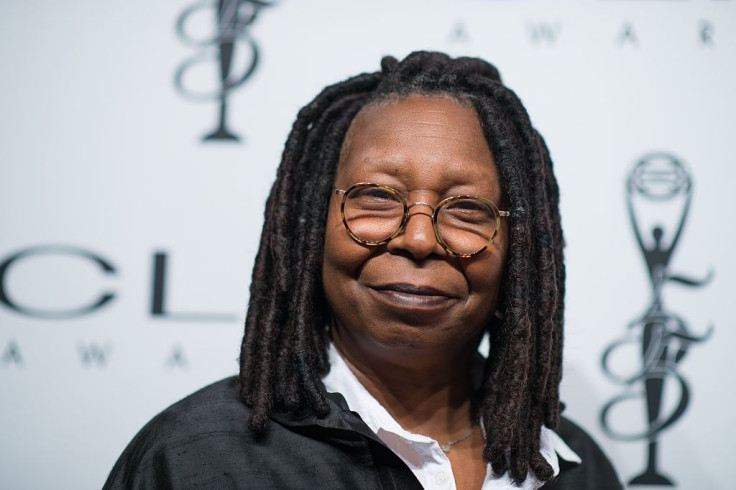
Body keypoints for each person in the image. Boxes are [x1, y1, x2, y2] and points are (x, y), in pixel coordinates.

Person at [104, 51, 622, 489]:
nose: (418, 238)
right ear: (311, 225)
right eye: (376, 197)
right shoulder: (199, 461)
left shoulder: (577, 471)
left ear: (520, 249)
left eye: (467, 209)